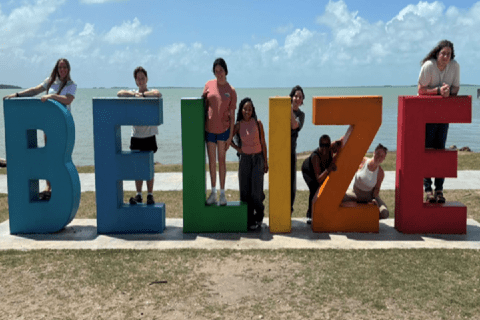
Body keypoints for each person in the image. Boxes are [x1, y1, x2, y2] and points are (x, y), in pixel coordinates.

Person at [3, 58, 77, 201]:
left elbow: (68, 100)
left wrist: (51, 96)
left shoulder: (71, 85)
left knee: (60, 157)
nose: (62, 70)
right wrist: (17, 95)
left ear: (68, 69)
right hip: (48, 124)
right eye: (60, 67)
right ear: (57, 68)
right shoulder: (50, 81)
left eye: (65, 67)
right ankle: (48, 187)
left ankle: (61, 187)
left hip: (62, 125)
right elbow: (35, 90)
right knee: (47, 156)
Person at [418, 40, 460, 203]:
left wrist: (450, 92)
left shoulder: (455, 66)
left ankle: (439, 189)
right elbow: (420, 90)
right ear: (437, 53)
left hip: (443, 115)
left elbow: (456, 88)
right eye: (443, 53)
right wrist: (437, 91)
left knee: (440, 150)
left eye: (449, 54)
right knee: (428, 150)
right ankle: (428, 189)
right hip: (426, 115)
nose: (446, 56)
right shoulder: (429, 65)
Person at [117, 66, 162, 205]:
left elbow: (158, 93)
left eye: (143, 78)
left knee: (149, 166)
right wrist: (134, 94)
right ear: (136, 81)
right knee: (137, 166)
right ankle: (138, 194)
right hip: (136, 136)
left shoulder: (150, 92)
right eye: (138, 79)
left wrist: (143, 95)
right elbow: (119, 93)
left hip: (149, 136)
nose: (141, 80)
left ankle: (150, 194)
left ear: (146, 79)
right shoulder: (133, 93)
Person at [203, 58, 237, 206]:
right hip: (209, 130)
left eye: (221, 71)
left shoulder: (231, 90)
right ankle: (213, 192)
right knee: (211, 162)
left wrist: (230, 136)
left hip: (224, 131)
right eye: (216, 71)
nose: (219, 74)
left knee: (221, 161)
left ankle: (223, 194)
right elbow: (202, 105)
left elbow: (232, 115)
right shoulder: (209, 85)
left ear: (226, 71)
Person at [231, 98, 268, 230]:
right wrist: (238, 149)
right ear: (241, 110)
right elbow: (229, 139)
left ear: (253, 110)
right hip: (245, 160)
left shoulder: (258, 123)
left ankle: (259, 215)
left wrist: (265, 161)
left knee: (256, 193)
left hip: (258, 159)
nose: (247, 111)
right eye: (245, 109)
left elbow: (263, 143)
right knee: (245, 193)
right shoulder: (238, 125)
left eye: (250, 109)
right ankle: (249, 220)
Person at [341, 144, 389, 219]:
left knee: (385, 213)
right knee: (336, 199)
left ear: (384, 159)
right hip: (355, 193)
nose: (379, 157)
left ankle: (368, 219)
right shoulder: (363, 161)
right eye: (378, 154)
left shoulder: (380, 173)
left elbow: (377, 188)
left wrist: (374, 199)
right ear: (374, 153)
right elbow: (348, 163)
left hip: (369, 196)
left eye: (382, 156)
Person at [302, 135, 341, 224]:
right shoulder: (315, 157)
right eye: (321, 145)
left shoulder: (330, 149)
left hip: (320, 170)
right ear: (319, 145)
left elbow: (339, 142)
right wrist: (328, 169)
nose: (324, 148)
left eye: (327, 145)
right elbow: (319, 179)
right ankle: (310, 216)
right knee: (315, 188)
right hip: (308, 171)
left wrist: (338, 143)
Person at [289, 85, 306, 213]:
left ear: (302, 100)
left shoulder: (301, 115)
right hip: (280, 151)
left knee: (291, 183)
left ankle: (289, 208)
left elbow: (294, 125)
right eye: (295, 96)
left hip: (291, 151)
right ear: (292, 97)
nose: (297, 98)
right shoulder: (283, 109)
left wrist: (288, 109)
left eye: (299, 97)